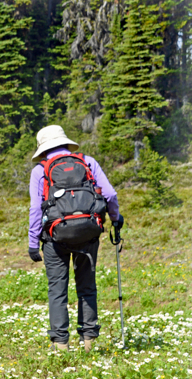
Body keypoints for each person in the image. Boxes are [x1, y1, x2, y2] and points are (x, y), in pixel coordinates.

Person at [26, 125, 124, 352]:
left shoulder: (40, 170)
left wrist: (33, 243)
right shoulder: (88, 161)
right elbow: (109, 194)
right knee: (87, 286)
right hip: (88, 232)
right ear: (65, 142)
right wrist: (115, 219)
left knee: (57, 289)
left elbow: (35, 209)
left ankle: (60, 343)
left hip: (54, 238)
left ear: (43, 148)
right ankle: (88, 340)